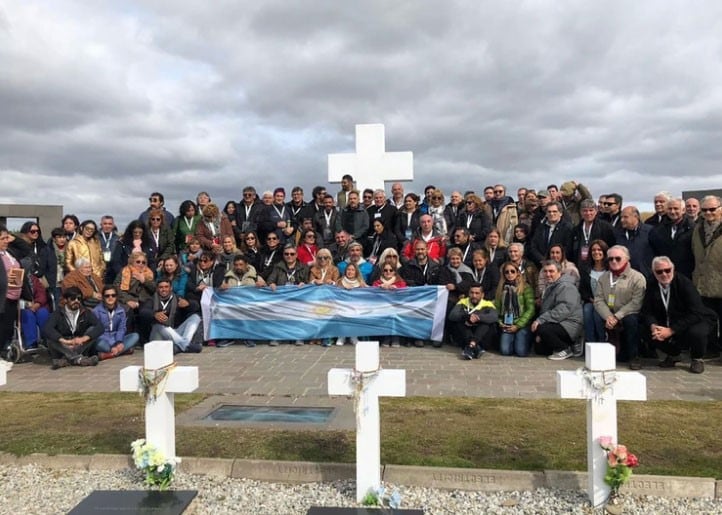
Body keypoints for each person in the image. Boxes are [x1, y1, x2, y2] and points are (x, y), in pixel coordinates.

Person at [641, 256, 716, 374]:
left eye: (667, 270)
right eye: (659, 272)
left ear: (673, 269)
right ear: (654, 272)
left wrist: (671, 330)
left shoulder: (684, 283)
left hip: (696, 318)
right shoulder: (651, 283)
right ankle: (673, 354)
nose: (664, 274)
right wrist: (653, 325)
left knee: (697, 332)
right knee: (644, 329)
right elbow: (647, 310)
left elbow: (696, 312)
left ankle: (697, 358)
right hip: (670, 320)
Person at [593, 245, 647, 369]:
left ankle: (634, 356)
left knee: (631, 320)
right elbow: (599, 300)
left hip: (628, 313)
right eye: (611, 259)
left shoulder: (637, 278)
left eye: (618, 258)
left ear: (627, 259)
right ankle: (602, 352)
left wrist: (617, 316)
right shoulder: (604, 278)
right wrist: (608, 316)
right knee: (594, 314)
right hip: (609, 314)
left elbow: (636, 302)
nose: (614, 261)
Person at [531, 260, 583, 360]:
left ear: (559, 272)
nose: (548, 274)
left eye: (551, 271)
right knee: (539, 349)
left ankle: (564, 349)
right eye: (545, 271)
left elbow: (564, 309)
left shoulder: (566, 286)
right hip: (558, 321)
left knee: (542, 329)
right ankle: (565, 345)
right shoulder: (552, 285)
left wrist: (540, 321)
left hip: (569, 324)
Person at [691, 195, 722, 358]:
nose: (708, 213)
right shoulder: (698, 229)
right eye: (705, 210)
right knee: (707, 319)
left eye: (712, 209)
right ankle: (711, 349)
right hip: (702, 283)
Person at [42, 287, 103, 369]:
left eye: (79, 299)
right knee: (50, 338)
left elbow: (100, 327)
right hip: (63, 346)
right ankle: (78, 359)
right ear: (66, 300)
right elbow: (47, 329)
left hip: (79, 344)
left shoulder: (85, 312)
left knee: (92, 330)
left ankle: (66, 359)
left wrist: (84, 339)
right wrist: (65, 341)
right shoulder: (58, 313)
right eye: (73, 298)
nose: (76, 301)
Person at [149, 279, 202, 354]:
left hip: (175, 333)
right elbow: (144, 311)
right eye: (161, 287)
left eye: (166, 287)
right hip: (159, 333)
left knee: (196, 317)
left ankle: (181, 345)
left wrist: (188, 304)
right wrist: (154, 314)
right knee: (159, 325)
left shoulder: (177, 298)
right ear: (157, 289)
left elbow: (196, 306)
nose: (164, 289)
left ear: (171, 288)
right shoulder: (151, 299)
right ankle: (185, 346)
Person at [448, 283, 498, 360]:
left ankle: (471, 346)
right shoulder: (463, 302)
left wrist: (478, 318)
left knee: (487, 323)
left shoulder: (488, 304)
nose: (474, 296)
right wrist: (467, 317)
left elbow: (494, 317)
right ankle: (474, 347)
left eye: (477, 293)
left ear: (482, 295)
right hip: (465, 336)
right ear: (468, 293)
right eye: (472, 293)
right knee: (459, 322)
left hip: (482, 337)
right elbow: (452, 315)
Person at [114, 251, 157, 341]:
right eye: (138, 262)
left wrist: (144, 280)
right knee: (126, 311)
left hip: (145, 299)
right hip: (127, 298)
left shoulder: (149, 273)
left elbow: (154, 289)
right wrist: (127, 300)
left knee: (145, 313)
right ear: (132, 262)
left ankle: (145, 340)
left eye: (143, 262)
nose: (141, 264)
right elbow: (117, 288)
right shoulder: (124, 271)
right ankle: (126, 340)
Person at [495, 263, 535, 357]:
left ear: (517, 273)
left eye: (512, 271)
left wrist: (518, 325)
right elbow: (496, 308)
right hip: (507, 323)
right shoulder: (500, 288)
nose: (510, 274)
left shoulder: (526, 287)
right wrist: (500, 322)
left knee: (521, 352)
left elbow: (531, 309)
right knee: (505, 351)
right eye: (507, 272)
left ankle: (524, 340)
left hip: (521, 323)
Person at [649, 197, 694, 279]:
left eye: (676, 208)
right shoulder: (658, 230)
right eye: (670, 209)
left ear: (683, 210)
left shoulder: (692, 229)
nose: (673, 212)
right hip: (665, 274)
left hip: (686, 275)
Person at [92, 285, 139, 360]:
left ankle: (109, 354)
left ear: (116, 297)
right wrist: (113, 345)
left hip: (116, 338)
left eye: (113, 295)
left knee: (135, 336)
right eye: (107, 296)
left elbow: (121, 328)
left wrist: (119, 342)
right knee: (99, 344)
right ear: (103, 297)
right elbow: (97, 331)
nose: (110, 298)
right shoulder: (96, 311)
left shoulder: (121, 310)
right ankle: (122, 351)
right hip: (103, 340)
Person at [578, 239, 609, 345]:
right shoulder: (586, 269)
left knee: (597, 313)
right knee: (587, 310)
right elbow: (582, 289)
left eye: (599, 250)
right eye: (593, 250)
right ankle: (590, 342)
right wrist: (592, 300)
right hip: (591, 301)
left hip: (607, 302)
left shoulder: (610, 269)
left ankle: (602, 340)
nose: (596, 252)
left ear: (604, 251)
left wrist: (600, 302)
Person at [569, 199, 616, 266]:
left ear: (596, 211)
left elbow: (612, 246)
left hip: (600, 265)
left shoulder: (606, 227)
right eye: (585, 211)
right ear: (581, 212)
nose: (588, 213)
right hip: (580, 264)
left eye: (591, 210)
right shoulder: (576, 230)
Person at [373, 264, 407, 348]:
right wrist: (379, 288)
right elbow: (372, 292)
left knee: (394, 314)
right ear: (382, 272)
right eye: (385, 270)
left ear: (394, 271)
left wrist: (396, 288)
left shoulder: (400, 282)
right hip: (381, 307)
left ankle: (395, 337)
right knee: (386, 314)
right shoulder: (377, 282)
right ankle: (387, 337)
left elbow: (405, 291)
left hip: (397, 307)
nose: (388, 272)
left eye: (391, 270)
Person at [615, 206, 654, 280]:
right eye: (621, 217)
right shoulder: (617, 234)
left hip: (646, 276)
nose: (622, 220)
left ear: (636, 217)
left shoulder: (650, 232)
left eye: (625, 217)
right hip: (624, 277)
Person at [529, 202, 573, 267]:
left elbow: (568, 247)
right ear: (546, 214)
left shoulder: (568, 228)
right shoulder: (540, 228)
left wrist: (556, 261)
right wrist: (542, 260)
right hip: (542, 265)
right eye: (549, 212)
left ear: (560, 213)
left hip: (561, 265)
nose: (551, 214)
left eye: (554, 211)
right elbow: (533, 246)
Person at [20, 274, 51, 349]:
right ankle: (32, 342)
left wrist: (37, 304)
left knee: (43, 313)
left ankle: (47, 339)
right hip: (22, 306)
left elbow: (41, 293)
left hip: (38, 304)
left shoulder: (33, 278)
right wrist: (26, 304)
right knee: (28, 315)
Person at [98, 215, 120, 283]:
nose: (107, 226)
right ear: (101, 224)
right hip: (99, 268)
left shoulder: (118, 238)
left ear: (113, 225)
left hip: (113, 270)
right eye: (105, 224)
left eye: (110, 224)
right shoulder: (95, 237)